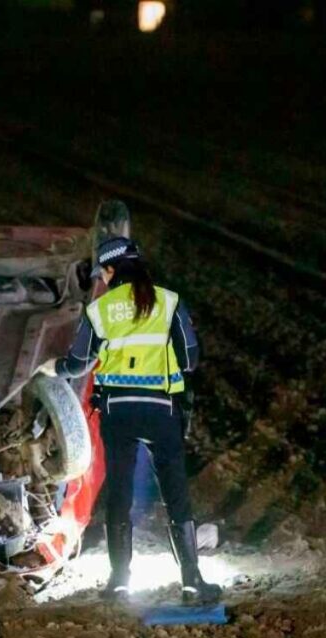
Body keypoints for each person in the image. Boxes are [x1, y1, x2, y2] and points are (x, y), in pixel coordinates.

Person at [38, 235, 221, 603]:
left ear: (109, 270)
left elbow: (77, 365)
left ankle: (118, 582)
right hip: (162, 412)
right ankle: (191, 583)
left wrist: (50, 367)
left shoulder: (100, 310)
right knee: (176, 495)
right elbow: (189, 360)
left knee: (119, 495)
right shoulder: (169, 302)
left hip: (118, 413)